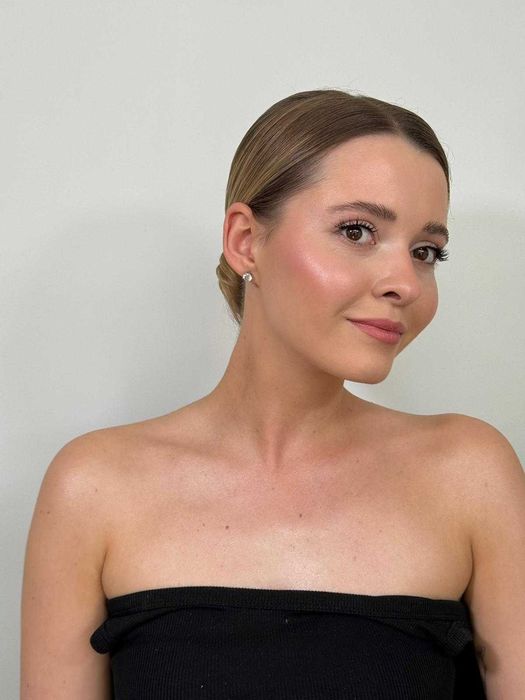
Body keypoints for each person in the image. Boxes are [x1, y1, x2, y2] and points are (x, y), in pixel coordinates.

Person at [20, 89, 525, 699]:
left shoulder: (469, 475)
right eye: (358, 231)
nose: (406, 284)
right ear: (245, 240)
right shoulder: (94, 488)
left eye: (425, 252)